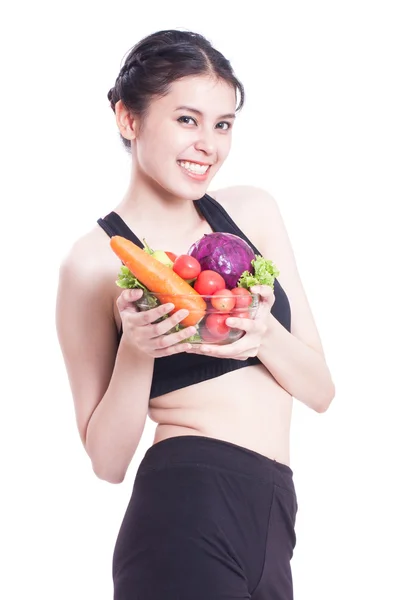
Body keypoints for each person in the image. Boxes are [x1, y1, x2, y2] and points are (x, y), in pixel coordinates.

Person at [56, 28, 335, 600]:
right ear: (128, 119)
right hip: (184, 509)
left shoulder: (252, 212)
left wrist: (263, 334)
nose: (208, 143)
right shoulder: (91, 265)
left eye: (223, 123)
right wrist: (137, 352)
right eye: (187, 119)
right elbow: (107, 463)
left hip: (275, 510)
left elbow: (321, 390)